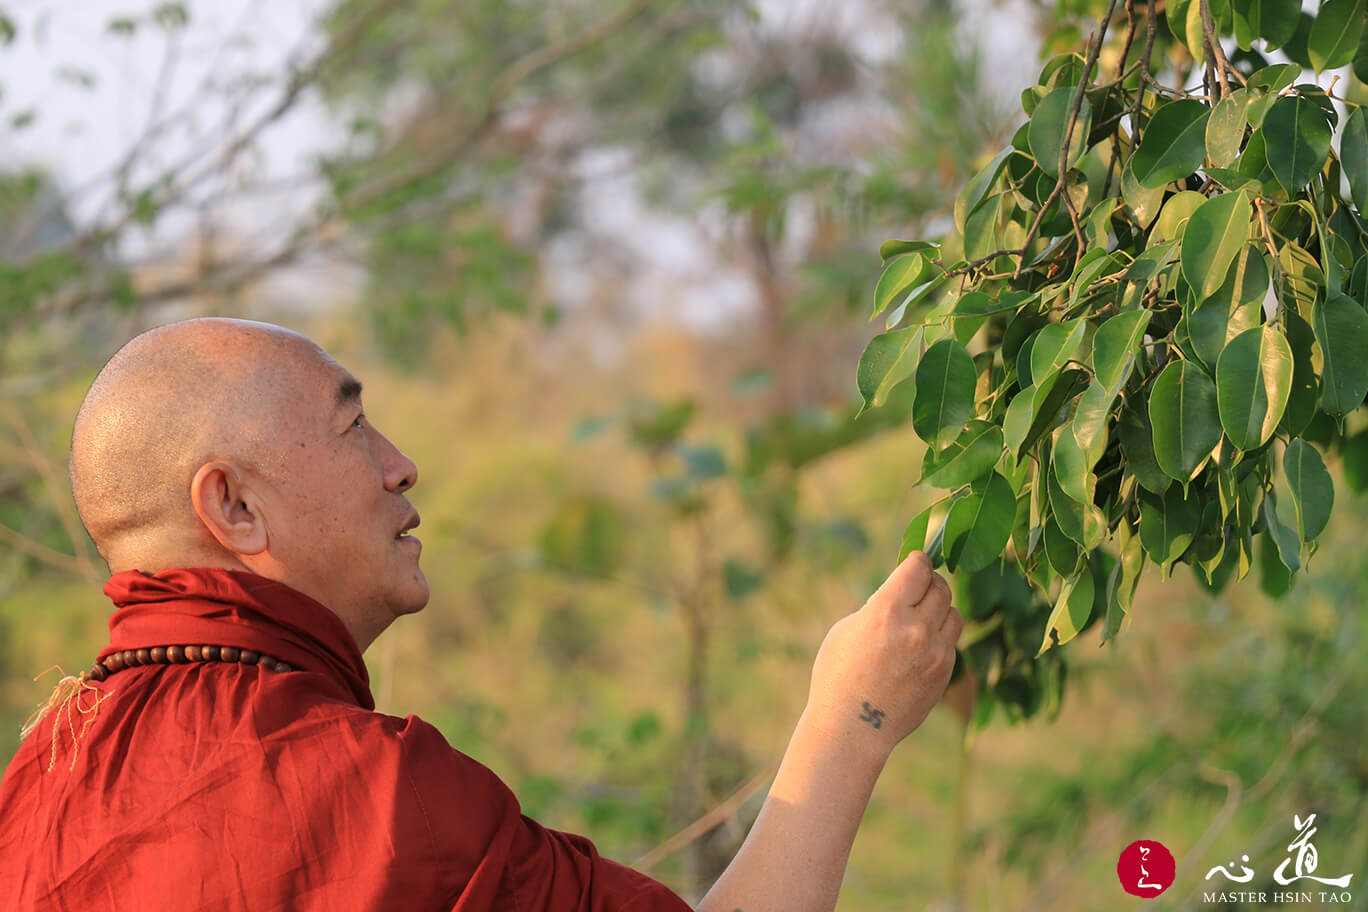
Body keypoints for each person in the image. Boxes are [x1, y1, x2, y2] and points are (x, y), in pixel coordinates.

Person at [0, 317, 963, 911]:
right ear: (235, 508)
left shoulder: (30, 797)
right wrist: (853, 721)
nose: (399, 463)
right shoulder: (364, 792)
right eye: (351, 427)